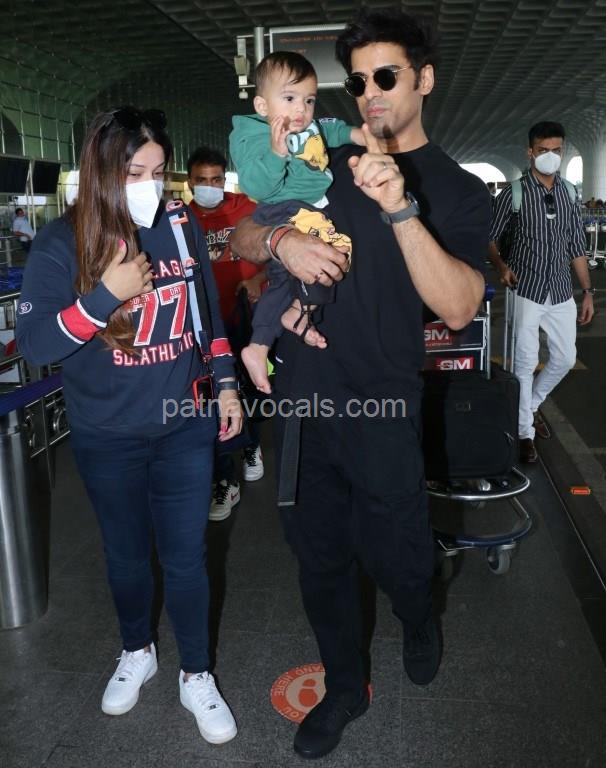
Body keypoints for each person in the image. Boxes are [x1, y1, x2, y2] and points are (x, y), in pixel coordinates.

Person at [230, 8, 489, 760]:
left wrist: (399, 206)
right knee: (318, 558)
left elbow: (459, 305)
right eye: (358, 81)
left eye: (387, 76)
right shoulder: (322, 158)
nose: (370, 92)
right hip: (304, 402)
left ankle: (419, 613)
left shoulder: (456, 189)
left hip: (383, 405)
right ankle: (345, 685)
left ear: (424, 80)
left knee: (402, 553)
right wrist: (281, 238)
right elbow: (243, 233)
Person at [16, 106, 242, 745]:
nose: (149, 185)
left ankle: (196, 672)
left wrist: (226, 385)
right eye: (134, 172)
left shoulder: (180, 226)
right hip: (106, 433)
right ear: (100, 173)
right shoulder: (62, 242)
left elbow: (208, 317)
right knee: (124, 556)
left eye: (158, 171)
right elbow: (36, 343)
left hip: (183, 424)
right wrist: (104, 297)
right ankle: (137, 649)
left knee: (187, 556)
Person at [229, 51, 365, 394]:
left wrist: (357, 135)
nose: (301, 109)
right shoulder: (254, 135)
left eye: (309, 100)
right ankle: (285, 323)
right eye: (289, 99)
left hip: (307, 208)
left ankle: (267, 338)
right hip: (282, 209)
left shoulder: (308, 125)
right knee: (328, 257)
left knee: (289, 279)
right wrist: (276, 153)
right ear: (262, 106)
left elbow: (330, 130)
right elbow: (257, 186)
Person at [488, 121, 593, 464]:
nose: (551, 156)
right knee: (525, 363)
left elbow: (576, 245)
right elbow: (490, 237)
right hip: (526, 289)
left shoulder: (570, 194)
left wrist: (587, 291)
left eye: (557, 150)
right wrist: (501, 266)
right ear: (530, 152)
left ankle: (530, 406)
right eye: (544, 150)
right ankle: (524, 434)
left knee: (564, 358)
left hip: (561, 290)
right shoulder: (514, 194)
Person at [187, 146, 266, 521]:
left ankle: (249, 445)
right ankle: (225, 476)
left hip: (242, 315)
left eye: (216, 179)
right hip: (203, 323)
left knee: (245, 387)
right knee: (213, 396)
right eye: (201, 180)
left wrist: (257, 280)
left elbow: (277, 253)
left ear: (225, 179)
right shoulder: (181, 217)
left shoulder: (247, 209)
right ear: (190, 182)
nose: (209, 186)